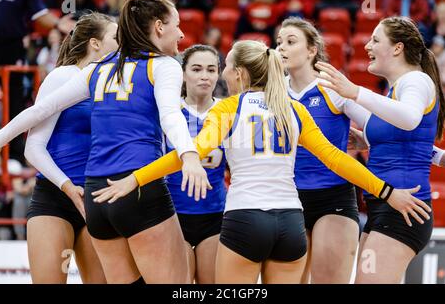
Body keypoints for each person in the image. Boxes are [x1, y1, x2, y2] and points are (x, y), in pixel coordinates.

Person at [91, 40, 431, 284]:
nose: (221, 73)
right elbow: (337, 160)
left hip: (245, 219)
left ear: (239, 72)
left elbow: (188, 152)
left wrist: (134, 179)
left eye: (224, 67)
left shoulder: (228, 108)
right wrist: (386, 192)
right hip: (291, 224)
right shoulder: (292, 109)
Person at [0, 0, 209, 284]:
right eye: (177, 25)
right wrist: (190, 155)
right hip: (134, 184)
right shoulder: (163, 64)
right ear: (158, 27)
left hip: (96, 192)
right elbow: (171, 115)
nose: (182, 34)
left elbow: (39, 110)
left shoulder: (99, 69)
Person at [315, 16, 445, 283]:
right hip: (383, 205)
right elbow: (410, 138)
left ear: (397, 48)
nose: (367, 46)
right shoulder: (396, 90)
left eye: (375, 40)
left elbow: (409, 119)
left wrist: (354, 91)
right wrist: (368, 138)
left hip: (404, 207)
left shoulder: (415, 81)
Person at [23, 13, 118, 284]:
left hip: (98, 197)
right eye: (115, 37)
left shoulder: (115, 82)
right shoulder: (64, 76)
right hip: (55, 197)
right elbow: (33, 148)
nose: (122, 43)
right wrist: (67, 187)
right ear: (95, 44)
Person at [276, 17, 366, 284]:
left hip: (333, 198)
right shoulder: (273, 90)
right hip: (287, 199)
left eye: (291, 42)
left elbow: (380, 127)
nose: (282, 47)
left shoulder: (332, 86)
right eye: (279, 41)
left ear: (312, 50)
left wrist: (365, 139)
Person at [166, 44, 226, 283]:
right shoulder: (168, 113)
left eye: (211, 70)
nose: (204, 76)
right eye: (197, 69)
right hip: (172, 215)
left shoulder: (227, 111)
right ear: (183, 74)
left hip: (214, 215)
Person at [0, 0, 74, 163]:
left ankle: (14, 153)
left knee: (14, 101)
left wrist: (57, 23)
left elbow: (39, 14)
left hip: (11, 49)